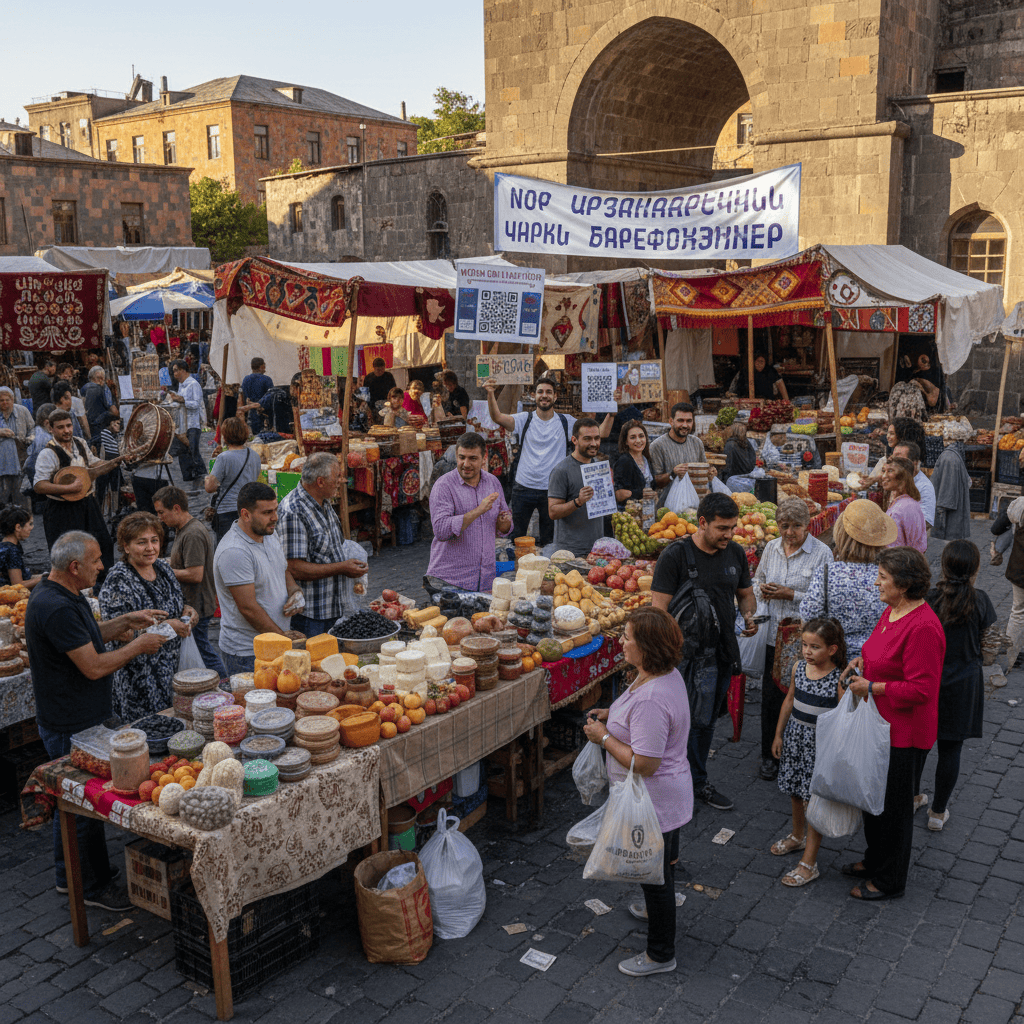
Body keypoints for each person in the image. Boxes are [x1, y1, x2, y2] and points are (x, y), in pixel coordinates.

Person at [26, 531, 166, 911]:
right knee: (80, 805)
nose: (102, 567)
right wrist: (137, 645)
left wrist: (123, 623)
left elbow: (84, 639)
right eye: (96, 561)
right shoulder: (55, 607)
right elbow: (92, 665)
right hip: (71, 720)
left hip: (81, 715)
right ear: (74, 567)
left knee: (75, 801)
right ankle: (84, 884)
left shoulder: (62, 594)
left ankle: (71, 875)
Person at [581, 607, 692, 977]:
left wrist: (605, 736)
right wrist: (611, 715)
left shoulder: (651, 697)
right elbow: (638, 717)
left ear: (645, 646)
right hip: (667, 798)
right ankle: (655, 906)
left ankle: (661, 954)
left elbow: (645, 763)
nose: (622, 641)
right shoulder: (662, 675)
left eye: (627, 636)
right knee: (663, 864)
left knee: (655, 876)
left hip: (654, 802)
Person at [842, 547, 945, 900]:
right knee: (875, 801)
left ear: (902, 584)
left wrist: (872, 686)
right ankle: (875, 860)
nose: (877, 582)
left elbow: (922, 689)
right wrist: (861, 661)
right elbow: (879, 652)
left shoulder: (924, 627)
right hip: (881, 726)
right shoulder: (892, 611)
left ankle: (889, 879)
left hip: (905, 733)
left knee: (895, 811)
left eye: (883, 577)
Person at [651, 492, 757, 810]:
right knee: (678, 724)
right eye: (722, 528)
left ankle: (697, 781)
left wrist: (749, 616)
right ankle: (670, 783)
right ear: (702, 522)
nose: (729, 534)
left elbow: (746, 596)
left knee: (706, 721)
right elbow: (658, 612)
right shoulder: (676, 556)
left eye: (732, 528)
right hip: (683, 659)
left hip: (721, 652)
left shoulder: (736, 553)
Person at [913, 540, 996, 831]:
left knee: (920, 745)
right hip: (964, 682)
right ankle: (938, 812)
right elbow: (988, 648)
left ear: (944, 566)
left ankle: (913, 796)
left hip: (929, 679)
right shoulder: (981, 600)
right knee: (951, 749)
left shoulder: (930, 598)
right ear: (974, 569)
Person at [752, 498, 834, 781]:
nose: (789, 532)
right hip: (774, 636)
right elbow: (756, 578)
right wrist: (761, 589)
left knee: (802, 697)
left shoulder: (822, 553)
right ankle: (769, 755)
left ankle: (800, 752)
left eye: (796, 526)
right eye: (784, 526)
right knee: (771, 697)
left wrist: (792, 595)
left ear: (808, 525)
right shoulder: (772, 549)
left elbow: (825, 598)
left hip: (804, 641)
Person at [770, 617, 847, 886]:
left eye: (815, 647)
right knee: (794, 791)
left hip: (820, 746)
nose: (807, 651)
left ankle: (809, 861)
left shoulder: (839, 679)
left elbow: (843, 716)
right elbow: (789, 700)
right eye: (804, 645)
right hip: (795, 740)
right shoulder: (798, 669)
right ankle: (796, 835)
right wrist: (778, 734)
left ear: (832, 650)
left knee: (813, 801)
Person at [99, 512, 196, 722]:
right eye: (141, 542)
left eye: (154, 541)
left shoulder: (163, 568)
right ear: (125, 546)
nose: (150, 548)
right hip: (139, 677)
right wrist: (167, 628)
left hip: (172, 668)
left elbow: (175, 603)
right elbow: (120, 634)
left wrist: (187, 610)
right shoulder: (118, 580)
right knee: (149, 731)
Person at [213, 482, 302, 675]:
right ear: (245, 514)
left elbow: (282, 568)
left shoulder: (268, 532)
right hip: (247, 652)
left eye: (275, 510)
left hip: (276, 641)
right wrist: (284, 639)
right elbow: (248, 608)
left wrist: (294, 590)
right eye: (267, 512)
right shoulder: (234, 551)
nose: (275, 518)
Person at [277, 452, 369, 637]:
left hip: (332, 608)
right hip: (311, 615)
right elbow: (294, 568)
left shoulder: (323, 501)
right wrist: (342, 568)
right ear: (320, 482)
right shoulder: (293, 512)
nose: (340, 481)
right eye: (336, 477)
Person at [487, 376, 575, 549]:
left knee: (549, 541)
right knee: (517, 538)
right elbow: (497, 417)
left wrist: (611, 411)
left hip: (553, 491)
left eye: (549, 392)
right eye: (540, 392)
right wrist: (490, 393)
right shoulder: (524, 419)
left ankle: (546, 574)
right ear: (534, 395)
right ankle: (516, 572)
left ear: (555, 397)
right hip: (523, 487)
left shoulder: (566, 421)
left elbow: (600, 432)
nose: (544, 395)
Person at [799, 500, 890, 660]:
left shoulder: (827, 573)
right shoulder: (888, 576)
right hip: (875, 663)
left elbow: (807, 622)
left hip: (831, 664)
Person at [425, 432, 513, 593]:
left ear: (484, 458)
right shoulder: (444, 486)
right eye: (461, 457)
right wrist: (478, 510)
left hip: (485, 579)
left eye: (472, 458)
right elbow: (441, 531)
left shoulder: (492, 482)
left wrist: (504, 523)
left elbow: (505, 526)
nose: (465, 464)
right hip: (450, 582)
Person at [153, 486, 226, 679]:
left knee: (204, 651)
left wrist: (163, 569)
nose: (160, 518)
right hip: (195, 603)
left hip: (198, 604)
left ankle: (225, 683)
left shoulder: (192, 534)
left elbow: (195, 574)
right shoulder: (183, 529)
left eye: (162, 512)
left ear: (176, 508)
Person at [33, 409, 115, 570]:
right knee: (70, 554)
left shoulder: (80, 443)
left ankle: (101, 585)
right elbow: (39, 485)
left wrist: (116, 461)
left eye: (69, 426)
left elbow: (93, 464)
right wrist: (68, 487)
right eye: (61, 427)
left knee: (102, 544)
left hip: (88, 504)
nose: (67, 430)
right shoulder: (47, 453)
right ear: (51, 428)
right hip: (62, 510)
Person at [547, 418, 608, 558]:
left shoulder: (598, 465)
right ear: (574, 440)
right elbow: (553, 511)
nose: (594, 444)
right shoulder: (561, 471)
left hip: (597, 551)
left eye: (597, 438)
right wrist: (578, 502)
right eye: (587, 439)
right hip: (570, 553)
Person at [204, 416, 259, 543]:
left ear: (225, 435)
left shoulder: (224, 458)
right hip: (248, 510)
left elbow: (210, 487)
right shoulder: (254, 455)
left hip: (227, 512)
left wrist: (208, 474)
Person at [648, 403, 708, 508]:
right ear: (671, 421)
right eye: (680, 420)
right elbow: (655, 482)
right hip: (668, 506)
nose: (685, 425)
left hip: (695, 503)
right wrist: (672, 474)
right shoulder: (657, 446)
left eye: (689, 421)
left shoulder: (697, 443)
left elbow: (704, 472)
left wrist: (711, 472)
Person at [992, 495, 1024, 667]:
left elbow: (996, 527)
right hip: (1020, 570)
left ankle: (1011, 658)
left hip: (1020, 568)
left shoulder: (1019, 504)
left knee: (1018, 612)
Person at [167, 359, 204, 483]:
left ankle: (202, 475)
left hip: (192, 424)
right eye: (174, 371)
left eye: (176, 370)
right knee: (185, 452)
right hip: (183, 424)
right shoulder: (182, 385)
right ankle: (189, 477)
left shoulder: (193, 384)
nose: (175, 374)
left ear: (183, 370)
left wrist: (181, 400)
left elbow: (196, 404)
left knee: (193, 452)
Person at [882, 457, 927, 553]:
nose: (883, 476)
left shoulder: (904, 507)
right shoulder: (907, 503)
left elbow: (895, 549)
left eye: (890, 471)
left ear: (903, 476)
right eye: (883, 471)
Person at [930, 438, 972, 541]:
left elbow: (946, 497)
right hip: (954, 518)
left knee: (950, 547)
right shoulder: (951, 456)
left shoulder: (949, 457)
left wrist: (940, 515)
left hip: (951, 520)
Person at [0, 387, 34, 507]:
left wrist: (30, 438)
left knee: (21, 493)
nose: (4, 402)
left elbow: (32, 429)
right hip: (2, 463)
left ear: (12, 399)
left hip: (20, 458)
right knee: (3, 495)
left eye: (7, 400)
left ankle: (24, 520)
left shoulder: (22, 411)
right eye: (1, 400)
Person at [891, 441, 934, 529]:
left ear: (913, 463)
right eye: (893, 456)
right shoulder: (897, 479)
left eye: (898, 457)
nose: (893, 461)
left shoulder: (924, 486)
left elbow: (926, 522)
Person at [613, 420, 653, 508]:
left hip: (647, 510)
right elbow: (619, 494)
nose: (638, 441)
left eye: (641, 436)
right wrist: (642, 493)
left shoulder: (646, 459)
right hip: (631, 514)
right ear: (626, 441)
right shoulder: (624, 461)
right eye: (633, 437)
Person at [0, 504, 39, 589]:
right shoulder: (11, 551)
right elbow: (17, 585)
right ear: (18, 527)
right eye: (30, 524)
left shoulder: (4, 545)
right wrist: (42, 579)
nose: (32, 527)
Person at [81, 366, 118, 445]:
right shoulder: (103, 388)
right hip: (100, 426)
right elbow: (112, 408)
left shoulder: (84, 388)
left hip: (87, 424)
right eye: (99, 378)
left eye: (102, 378)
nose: (102, 380)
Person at [240, 357, 274, 436]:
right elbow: (271, 397)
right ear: (262, 366)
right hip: (264, 415)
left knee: (254, 437)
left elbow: (243, 396)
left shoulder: (246, 379)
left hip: (250, 415)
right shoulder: (267, 379)